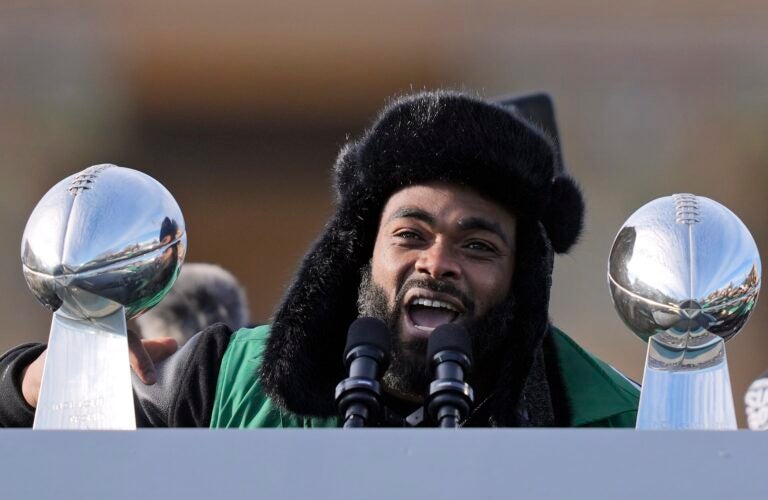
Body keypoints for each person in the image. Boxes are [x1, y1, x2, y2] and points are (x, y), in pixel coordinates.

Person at [0, 90, 639, 428]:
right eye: (410, 234)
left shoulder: (607, 419)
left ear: (519, 281)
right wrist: (36, 386)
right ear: (363, 255)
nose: (437, 262)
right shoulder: (226, 381)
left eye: (477, 246)